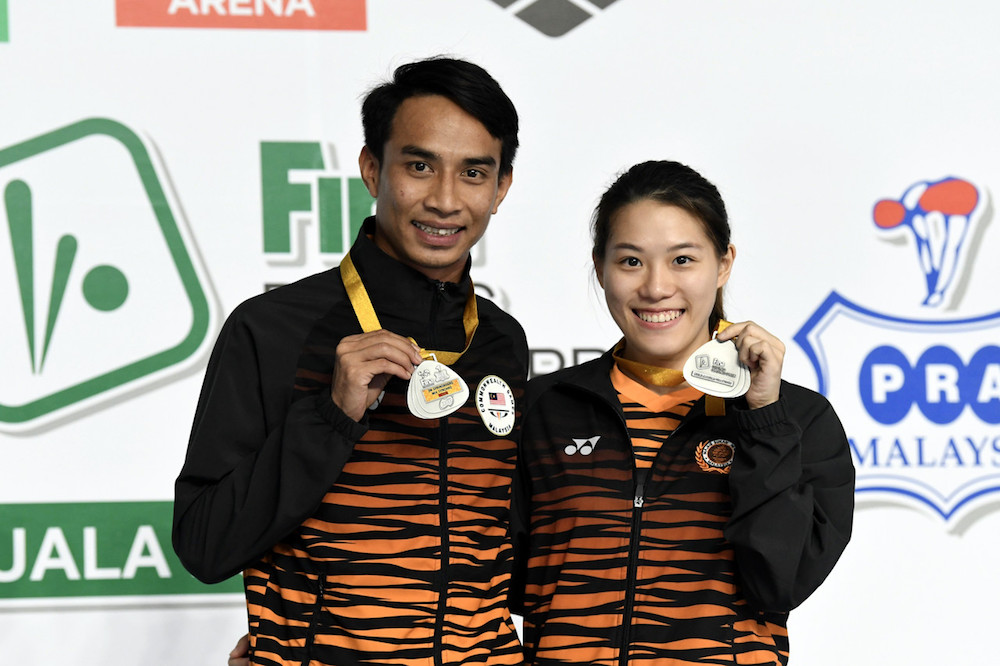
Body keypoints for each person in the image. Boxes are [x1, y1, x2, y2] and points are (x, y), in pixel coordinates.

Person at [174, 57, 527, 666]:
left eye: (473, 173)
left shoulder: (502, 341)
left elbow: (507, 551)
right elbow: (206, 545)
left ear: (500, 189)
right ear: (371, 169)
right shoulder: (272, 328)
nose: (445, 200)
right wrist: (331, 416)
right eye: (420, 166)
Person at [510, 160, 855, 665]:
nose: (656, 287)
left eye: (683, 260)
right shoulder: (543, 407)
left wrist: (763, 417)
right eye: (631, 261)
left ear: (723, 264)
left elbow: (780, 582)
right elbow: (498, 585)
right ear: (600, 267)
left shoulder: (797, 418)